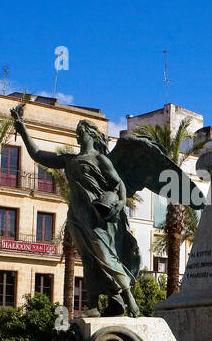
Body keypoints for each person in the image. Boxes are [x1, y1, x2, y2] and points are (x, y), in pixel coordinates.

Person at [11, 104, 142, 316]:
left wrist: (119, 202)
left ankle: (127, 297)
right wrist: (22, 128)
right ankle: (93, 306)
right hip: (76, 215)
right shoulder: (69, 160)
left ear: (90, 134)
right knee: (88, 261)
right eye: (77, 134)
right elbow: (38, 156)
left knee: (105, 256)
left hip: (95, 216)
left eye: (80, 133)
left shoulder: (100, 159)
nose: (78, 137)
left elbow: (119, 185)